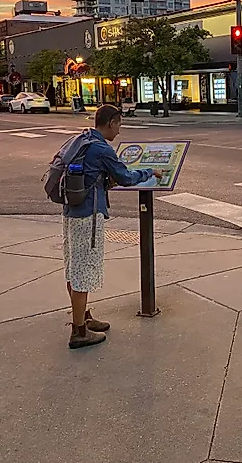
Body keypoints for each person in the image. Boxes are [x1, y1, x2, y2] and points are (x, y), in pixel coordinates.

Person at [63, 104, 163, 349]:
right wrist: (151, 171)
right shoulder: (100, 148)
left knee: (73, 267)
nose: (119, 132)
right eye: (119, 125)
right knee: (83, 272)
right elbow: (126, 178)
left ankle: (83, 318)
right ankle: (79, 332)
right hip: (89, 215)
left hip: (71, 212)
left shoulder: (82, 140)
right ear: (111, 122)